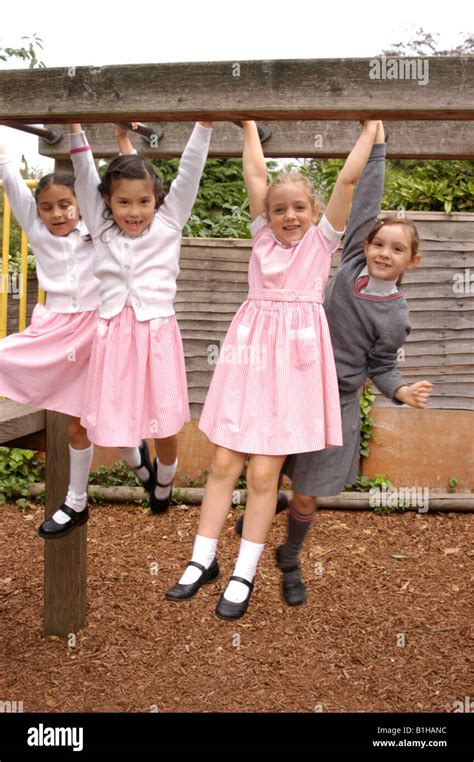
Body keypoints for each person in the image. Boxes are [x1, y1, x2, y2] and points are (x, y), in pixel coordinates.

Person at [166, 120, 382, 620]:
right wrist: (247, 125)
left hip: (294, 366)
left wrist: (370, 131)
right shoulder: (262, 235)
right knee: (223, 463)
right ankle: (202, 561)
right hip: (249, 353)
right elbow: (255, 174)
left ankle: (244, 571)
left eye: (299, 208)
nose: (288, 215)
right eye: (279, 208)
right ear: (267, 214)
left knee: (264, 474)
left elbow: (347, 182)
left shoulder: (322, 243)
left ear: (313, 213)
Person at [277, 122, 433, 606]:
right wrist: (379, 144)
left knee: (308, 491)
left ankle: (290, 554)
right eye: (378, 243)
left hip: (338, 398)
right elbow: (364, 196)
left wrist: (401, 391)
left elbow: (382, 367)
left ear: (411, 260)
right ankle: (264, 515)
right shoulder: (348, 263)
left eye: (397, 248)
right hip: (296, 381)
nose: (384, 252)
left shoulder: (396, 317)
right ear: (365, 245)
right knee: (267, 468)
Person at [67, 120, 212, 515]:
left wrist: (204, 124)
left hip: (157, 333)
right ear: (108, 204)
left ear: (157, 201)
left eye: (143, 202)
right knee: (111, 418)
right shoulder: (101, 228)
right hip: (113, 333)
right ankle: (142, 472)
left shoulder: (168, 223)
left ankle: (165, 476)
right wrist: (74, 128)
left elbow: (190, 173)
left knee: (165, 425)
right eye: (124, 203)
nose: (134, 211)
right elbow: (84, 174)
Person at [0, 128, 112, 539]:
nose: (57, 213)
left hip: (94, 331)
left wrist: (78, 132)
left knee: (80, 427)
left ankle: (76, 502)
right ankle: (78, 502)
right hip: (55, 330)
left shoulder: (97, 234)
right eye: (47, 207)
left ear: (81, 206)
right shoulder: (39, 233)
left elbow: (93, 182)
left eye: (66, 204)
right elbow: (11, 181)